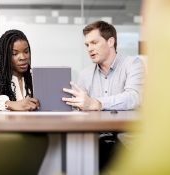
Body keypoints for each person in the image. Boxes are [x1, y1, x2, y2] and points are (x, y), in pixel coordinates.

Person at [62, 21, 145, 171]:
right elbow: (83, 106)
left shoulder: (133, 64)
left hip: (129, 140)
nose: (90, 49)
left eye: (94, 42)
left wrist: (96, 103)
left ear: (110, 41)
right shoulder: (86, 74)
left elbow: (133, 97)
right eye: (87, 45)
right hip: (98, 140)